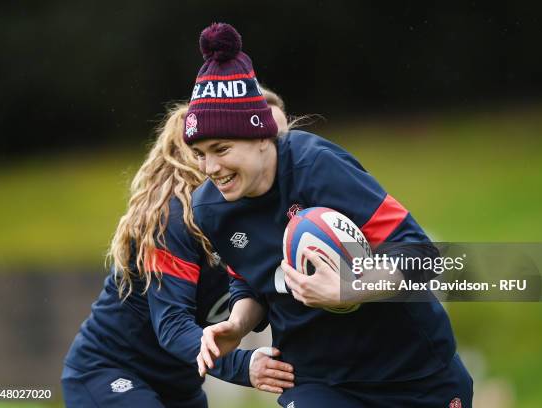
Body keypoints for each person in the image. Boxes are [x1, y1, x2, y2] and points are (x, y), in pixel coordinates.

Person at [167, 23, 473, 407]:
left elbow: (422, 256)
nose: (210, 167)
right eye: (200, 154)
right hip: (319, 383)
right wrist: (238, 324)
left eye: (221, 148)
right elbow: (250, 281)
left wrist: (350, 288)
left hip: (413, 375)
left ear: (261, 137)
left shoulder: (320, 168)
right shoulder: (210, 209)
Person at [61, 95, 295, 408]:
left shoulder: (272, 213)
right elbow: (172, 325)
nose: (278, 148)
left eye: (279, 138)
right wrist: (244, 366)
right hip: (110, 374)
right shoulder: (172, 221)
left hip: (180, 386)